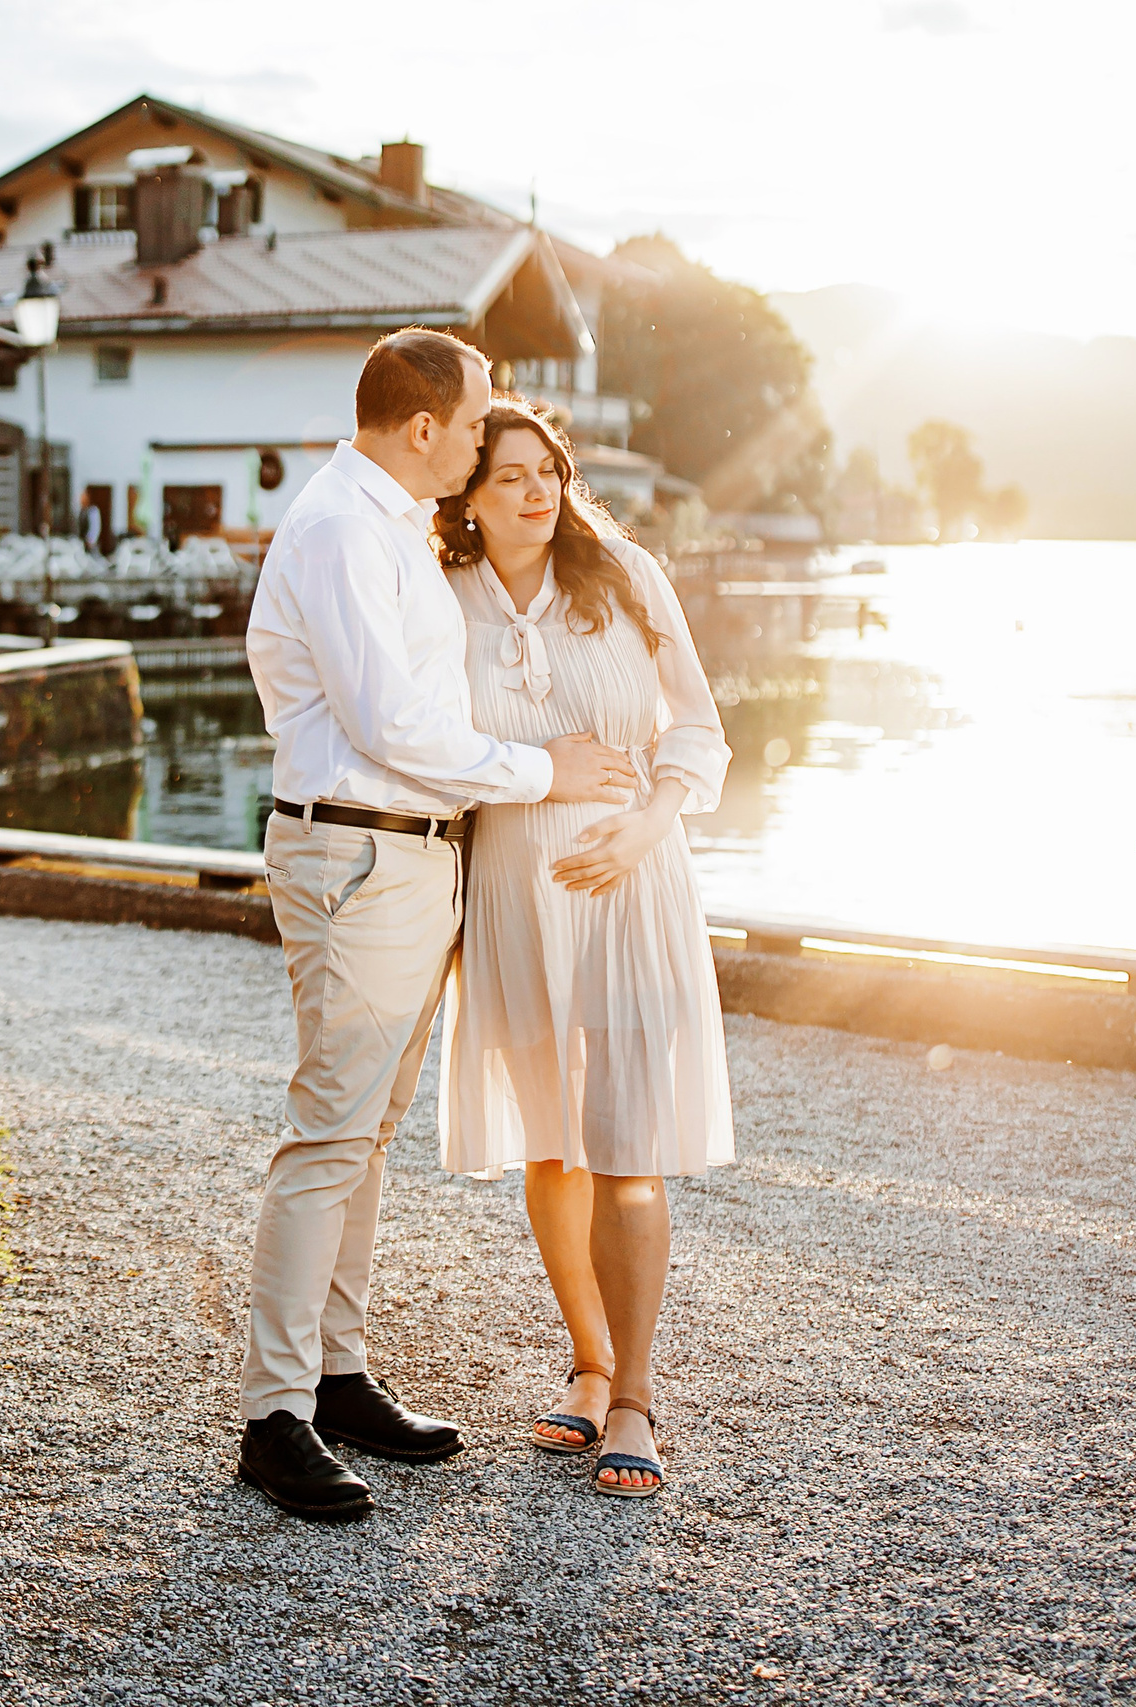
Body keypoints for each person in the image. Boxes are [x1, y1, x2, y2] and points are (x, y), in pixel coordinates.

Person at [240, 329, 639, 1520]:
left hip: (403, 854)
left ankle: (335, 1372)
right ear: (422, 428)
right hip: (361, 845)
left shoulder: (387, 524)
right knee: (330, 1131)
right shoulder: (342, 530)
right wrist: (543, 771)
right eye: (474, 426)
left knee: (364, 1130)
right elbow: (392, 727)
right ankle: (273, 1414)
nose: (481, 443)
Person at [435, 399, 734, 1499]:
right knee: (551, 1145)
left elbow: (696, 727)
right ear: (466, 493)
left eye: (546, 470)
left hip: (632, 884)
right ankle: (587, 1359)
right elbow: (426, 741)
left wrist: (651, 822)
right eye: (507, 474)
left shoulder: (624, 575)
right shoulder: (441, 596)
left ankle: (637, 1398)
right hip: (512, 885)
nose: (534, 490)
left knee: (627, 1144)